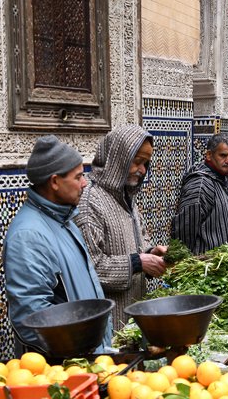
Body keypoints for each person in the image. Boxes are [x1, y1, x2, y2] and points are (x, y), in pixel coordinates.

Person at [3, 135, 112, 355]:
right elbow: (31, 318)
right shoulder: (29, 236)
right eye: (78, 177)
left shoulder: (65, 220)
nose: (85, 183)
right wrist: (80, 352)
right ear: (54, 182)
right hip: (66, 370)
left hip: (89, 360)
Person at [76, 125, 168, 330]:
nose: (142, 170)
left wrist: (151, 254)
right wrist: (137, 263)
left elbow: (132, 249)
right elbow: (90, 268)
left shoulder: (126, 196)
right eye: (137, 162)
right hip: (109, 326)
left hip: (133, 320)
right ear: (118, 159)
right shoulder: (90, 201)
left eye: (146, 163)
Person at [172, 134, 228, 254]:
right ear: (209, 155)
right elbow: (184, 232)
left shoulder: (226, 180)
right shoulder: (200, 185)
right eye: (223, 155)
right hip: (209, 267)